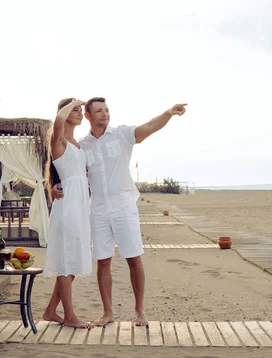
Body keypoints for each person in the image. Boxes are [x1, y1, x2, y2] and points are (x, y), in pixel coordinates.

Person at [52, 97, 187, 326]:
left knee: (133, 258)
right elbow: (67, 165)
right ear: (88, 116)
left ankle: (140, 311)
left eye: (107, 110)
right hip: (99, 210)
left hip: (124, 206)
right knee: (103, 262)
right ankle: (107, 313)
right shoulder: (83, 145)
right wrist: (55, 185)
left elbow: (150, 127)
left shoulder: (123, 134)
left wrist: (169, 113)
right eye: (99, 111)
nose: (105, 114)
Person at [42, 98, 94, 329]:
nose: (79, 112)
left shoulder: (79, 144)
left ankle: (51, 311)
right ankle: (70, 316)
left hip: (81, 205)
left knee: (72, 260)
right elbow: (59, 120)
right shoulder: (59, 140)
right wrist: (72, 102)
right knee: (66, 261)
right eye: (75, 109)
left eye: (80, 110)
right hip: (68, 207)